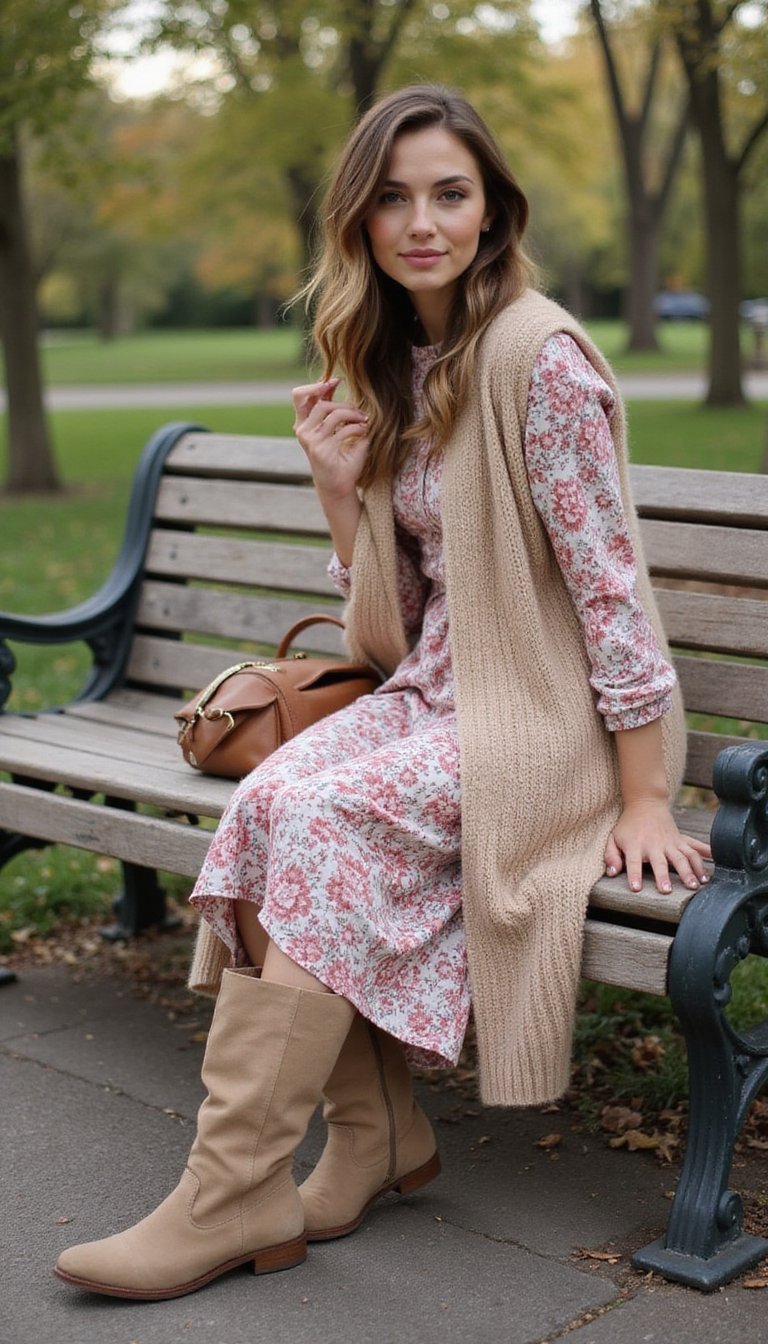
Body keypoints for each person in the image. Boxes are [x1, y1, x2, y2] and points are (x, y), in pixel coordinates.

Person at [54, 84, 711, 1301]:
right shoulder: (409, 361)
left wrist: (642, 799)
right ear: (358, 221)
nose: (423, 221)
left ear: (491, 209)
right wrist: (339, 486)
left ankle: (230, 1191)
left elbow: (613, 595)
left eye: (449, 194)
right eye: (394, 197)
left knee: (317, 816)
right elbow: (391, 624)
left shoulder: (538, 359)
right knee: (267, 803)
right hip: (440, 696)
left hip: (543, 725)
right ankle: (374, 1140)